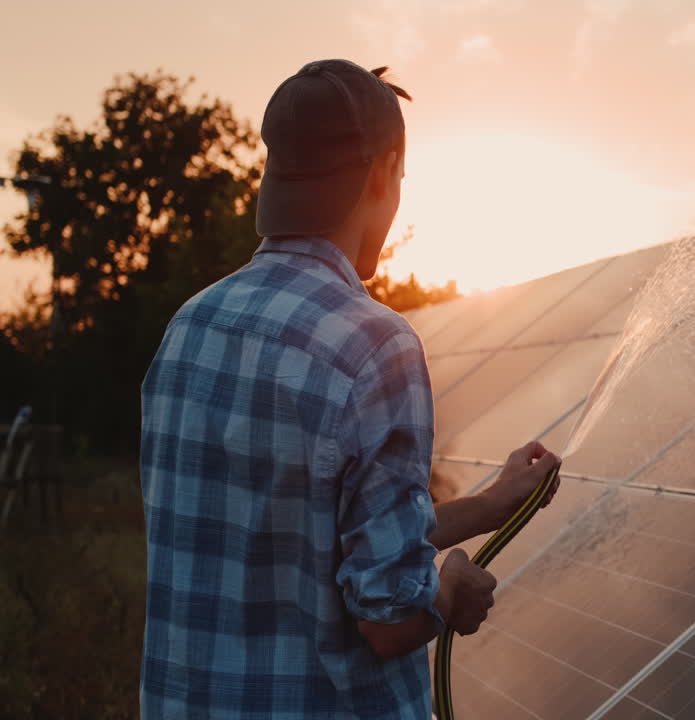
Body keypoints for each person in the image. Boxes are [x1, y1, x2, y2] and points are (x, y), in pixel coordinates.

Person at [139, 59, 560, 719]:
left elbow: (320, 544)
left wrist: (486, 506)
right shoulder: (372, 346)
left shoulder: (187, 330)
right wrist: (448, 593)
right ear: (385, 173)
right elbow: (389, 618)